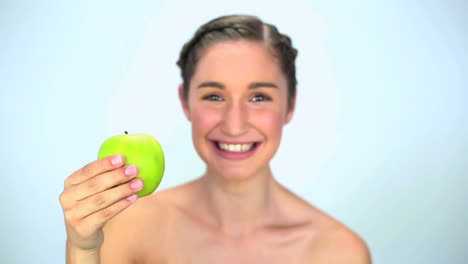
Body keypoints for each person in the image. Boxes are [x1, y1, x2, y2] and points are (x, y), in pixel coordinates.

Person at [59, 14, 371, 263]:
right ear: (185, 102)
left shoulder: (341, 253)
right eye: (214, 96)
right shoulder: (127, 228)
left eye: (259, 97)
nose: (234, 125)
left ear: (290, 105)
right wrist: (83, 249)